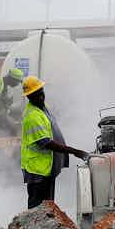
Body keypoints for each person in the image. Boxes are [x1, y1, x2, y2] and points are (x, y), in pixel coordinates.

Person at [20, 76, 88, 209]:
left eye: (41, 93)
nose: (40, 97)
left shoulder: (43, 109)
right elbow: (46, 143)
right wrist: (75, 152)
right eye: (35, 95)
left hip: (46, 169)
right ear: (29, 97)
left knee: (48, 207)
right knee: (37, 208)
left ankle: (46, 228)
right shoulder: (32, 116)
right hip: (37, 170)